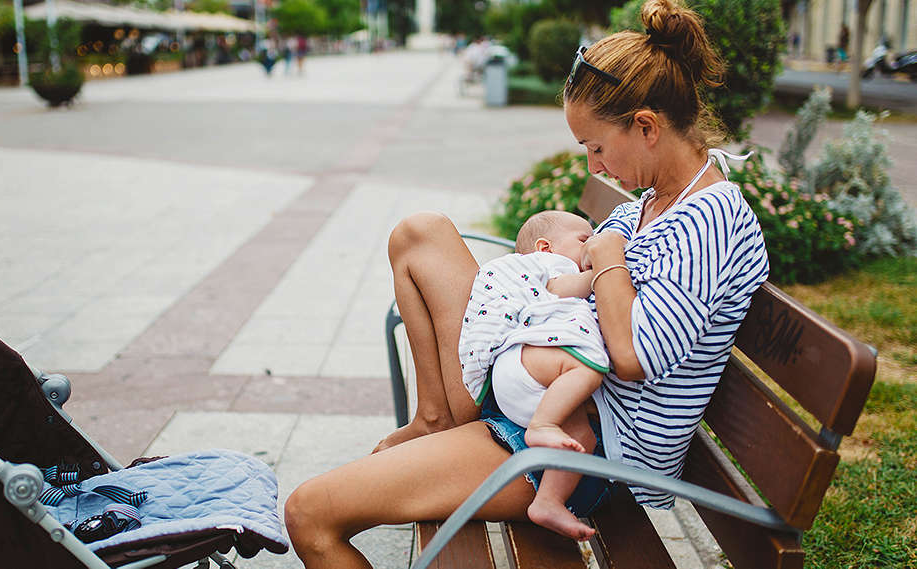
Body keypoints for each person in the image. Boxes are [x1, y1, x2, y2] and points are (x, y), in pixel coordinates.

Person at [284, 0, 769, 566]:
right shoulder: (648, 204)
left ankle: (453, 423)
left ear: (646, 127)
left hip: (582, 449)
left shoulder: (709, 221)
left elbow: (634, 356)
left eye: (596, 147)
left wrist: (607, 257)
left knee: (310, 514)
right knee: (422, 233)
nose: (593, 167)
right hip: (536, 383)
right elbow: (579, 278)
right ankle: (438, 418)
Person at [459, 210, 610, 539]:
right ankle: (542, 425)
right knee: (584, 369)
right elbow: (564, 288)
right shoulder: (551, 265)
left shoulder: (547, 260)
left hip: (531, 390)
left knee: (581, 440)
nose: (591, 246)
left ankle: (549, 502)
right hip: (526, 365)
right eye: (584, 240)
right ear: (545, 247)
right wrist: (605, 268)